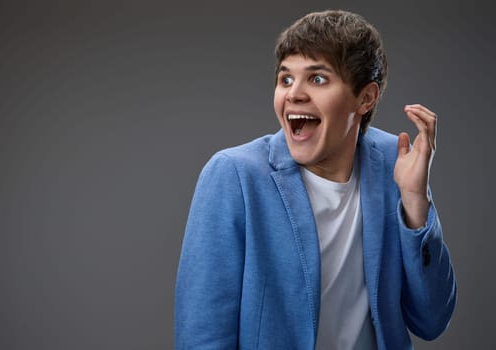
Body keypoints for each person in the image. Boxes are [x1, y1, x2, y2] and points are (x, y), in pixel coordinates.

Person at [175, 9, 457, 350]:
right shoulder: (234, 176)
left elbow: (431, 320)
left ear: (366, 98)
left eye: (318, 78)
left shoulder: (394, 163)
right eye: (286, 79)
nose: (294, 94)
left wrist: (415, 204)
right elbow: (203, 335)